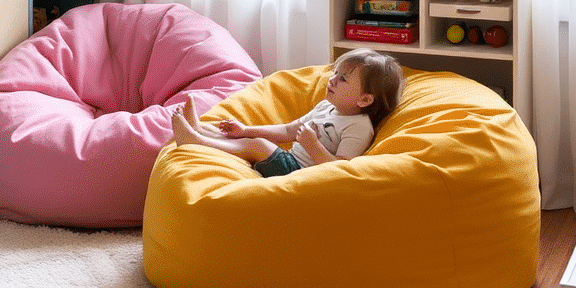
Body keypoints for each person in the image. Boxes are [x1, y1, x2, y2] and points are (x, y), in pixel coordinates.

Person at [170, 48, 404, 177]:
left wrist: (313, 145)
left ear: (365, 99)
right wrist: (245, 129)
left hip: (299, 174)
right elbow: (288, 130)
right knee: (248, 138)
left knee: (259, 145)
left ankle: (196, 141)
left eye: (342, 79)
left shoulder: (359, 127)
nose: (331, 80)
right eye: (335, 73)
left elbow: (341, 170)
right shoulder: (326, 107)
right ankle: (201, 130)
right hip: (288, 161)